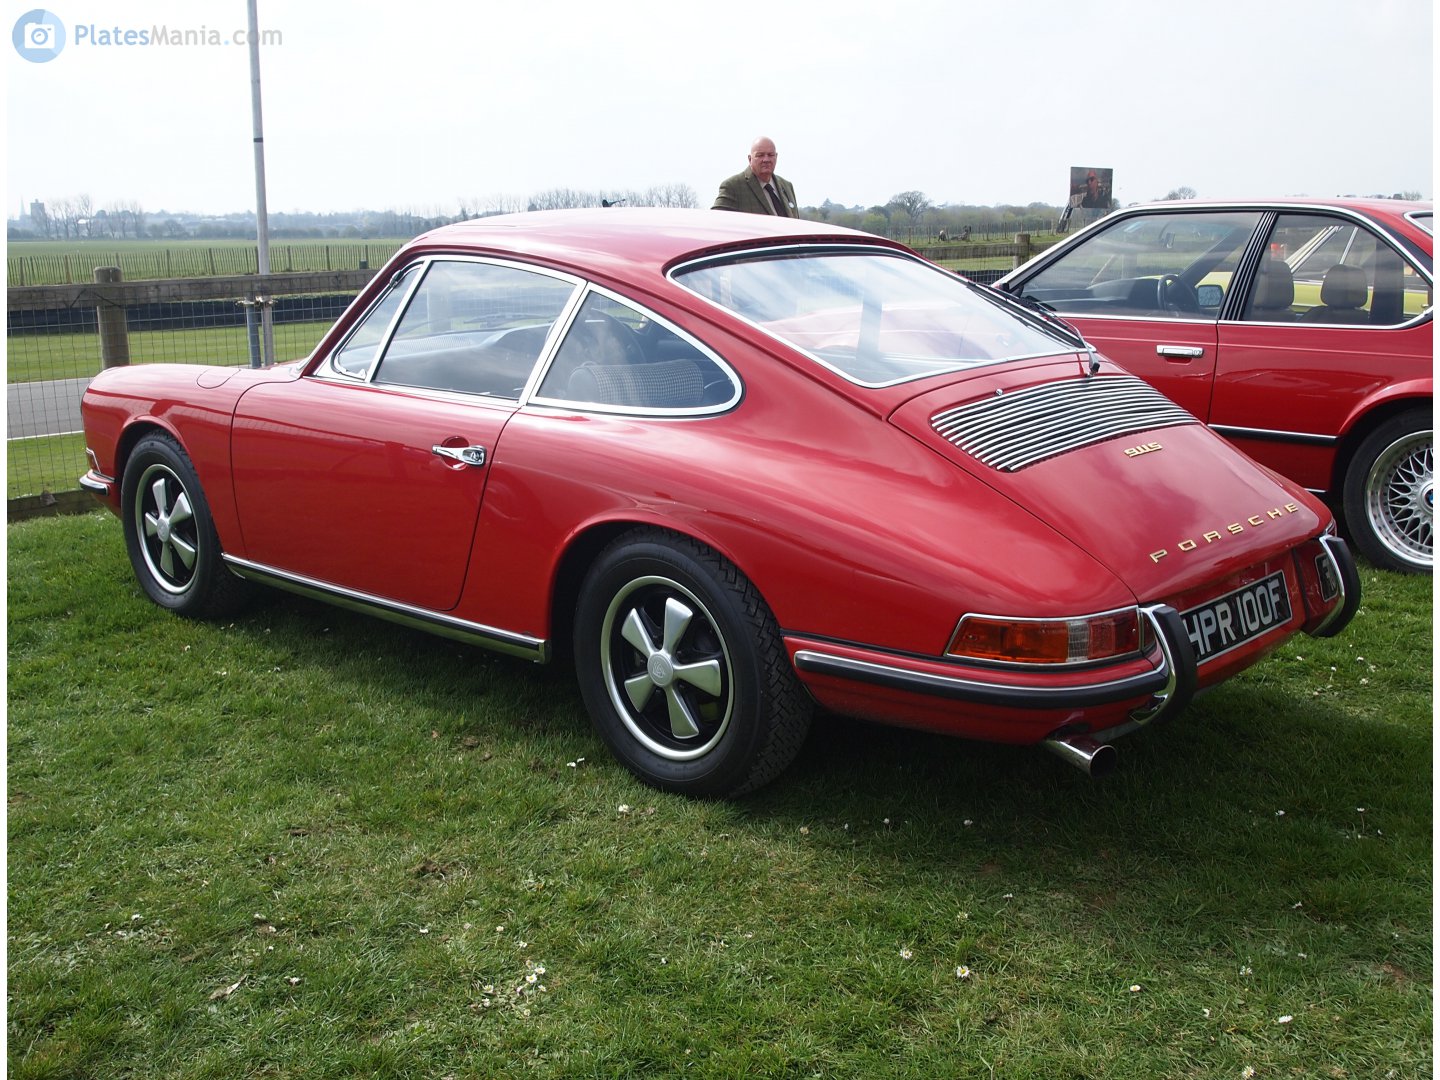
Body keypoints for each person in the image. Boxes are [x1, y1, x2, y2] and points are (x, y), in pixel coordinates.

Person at [712, 136, 799, 217]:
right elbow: (716, 220)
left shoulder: (787, 186)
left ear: (776, 157)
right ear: (750, 159)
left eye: (770, 155)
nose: (766, 160)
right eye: (760, 155)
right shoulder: (732, 187)